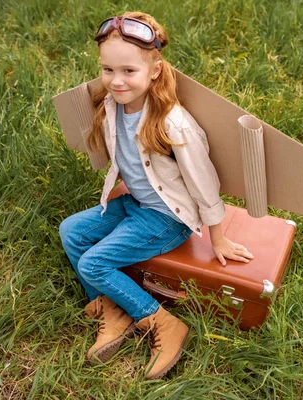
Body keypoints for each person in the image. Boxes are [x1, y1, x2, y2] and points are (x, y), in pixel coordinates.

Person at [59, 11, 254, 380]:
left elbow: (204, 183)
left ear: (154, 70)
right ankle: (113, 309)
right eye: (107, 70)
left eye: (128, 71)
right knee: (71, 231)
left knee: (93, 263)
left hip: (167, 218)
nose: (116, 81)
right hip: (135, 203)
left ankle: (163, 324)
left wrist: (218, 237)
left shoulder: (172, 123)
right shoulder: (112, 106)